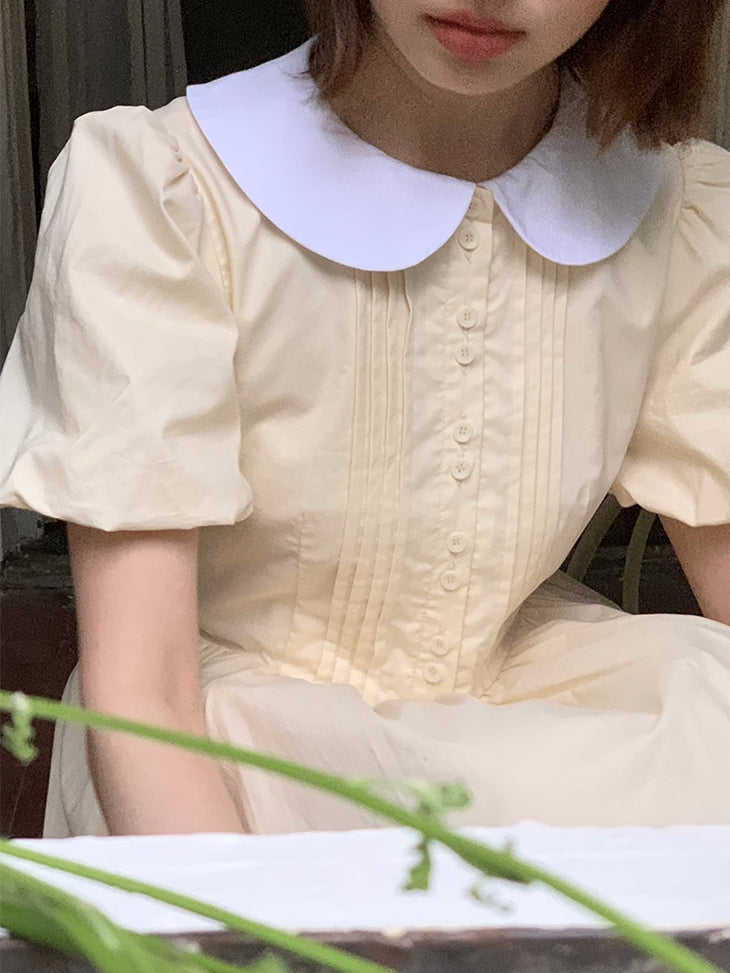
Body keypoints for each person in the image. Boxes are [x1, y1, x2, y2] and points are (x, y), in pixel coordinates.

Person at [1, 0, 729, 838]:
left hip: (528, 709)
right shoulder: (166, 193)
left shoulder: (681, 210)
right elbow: (143, 694)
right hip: (228, 747)